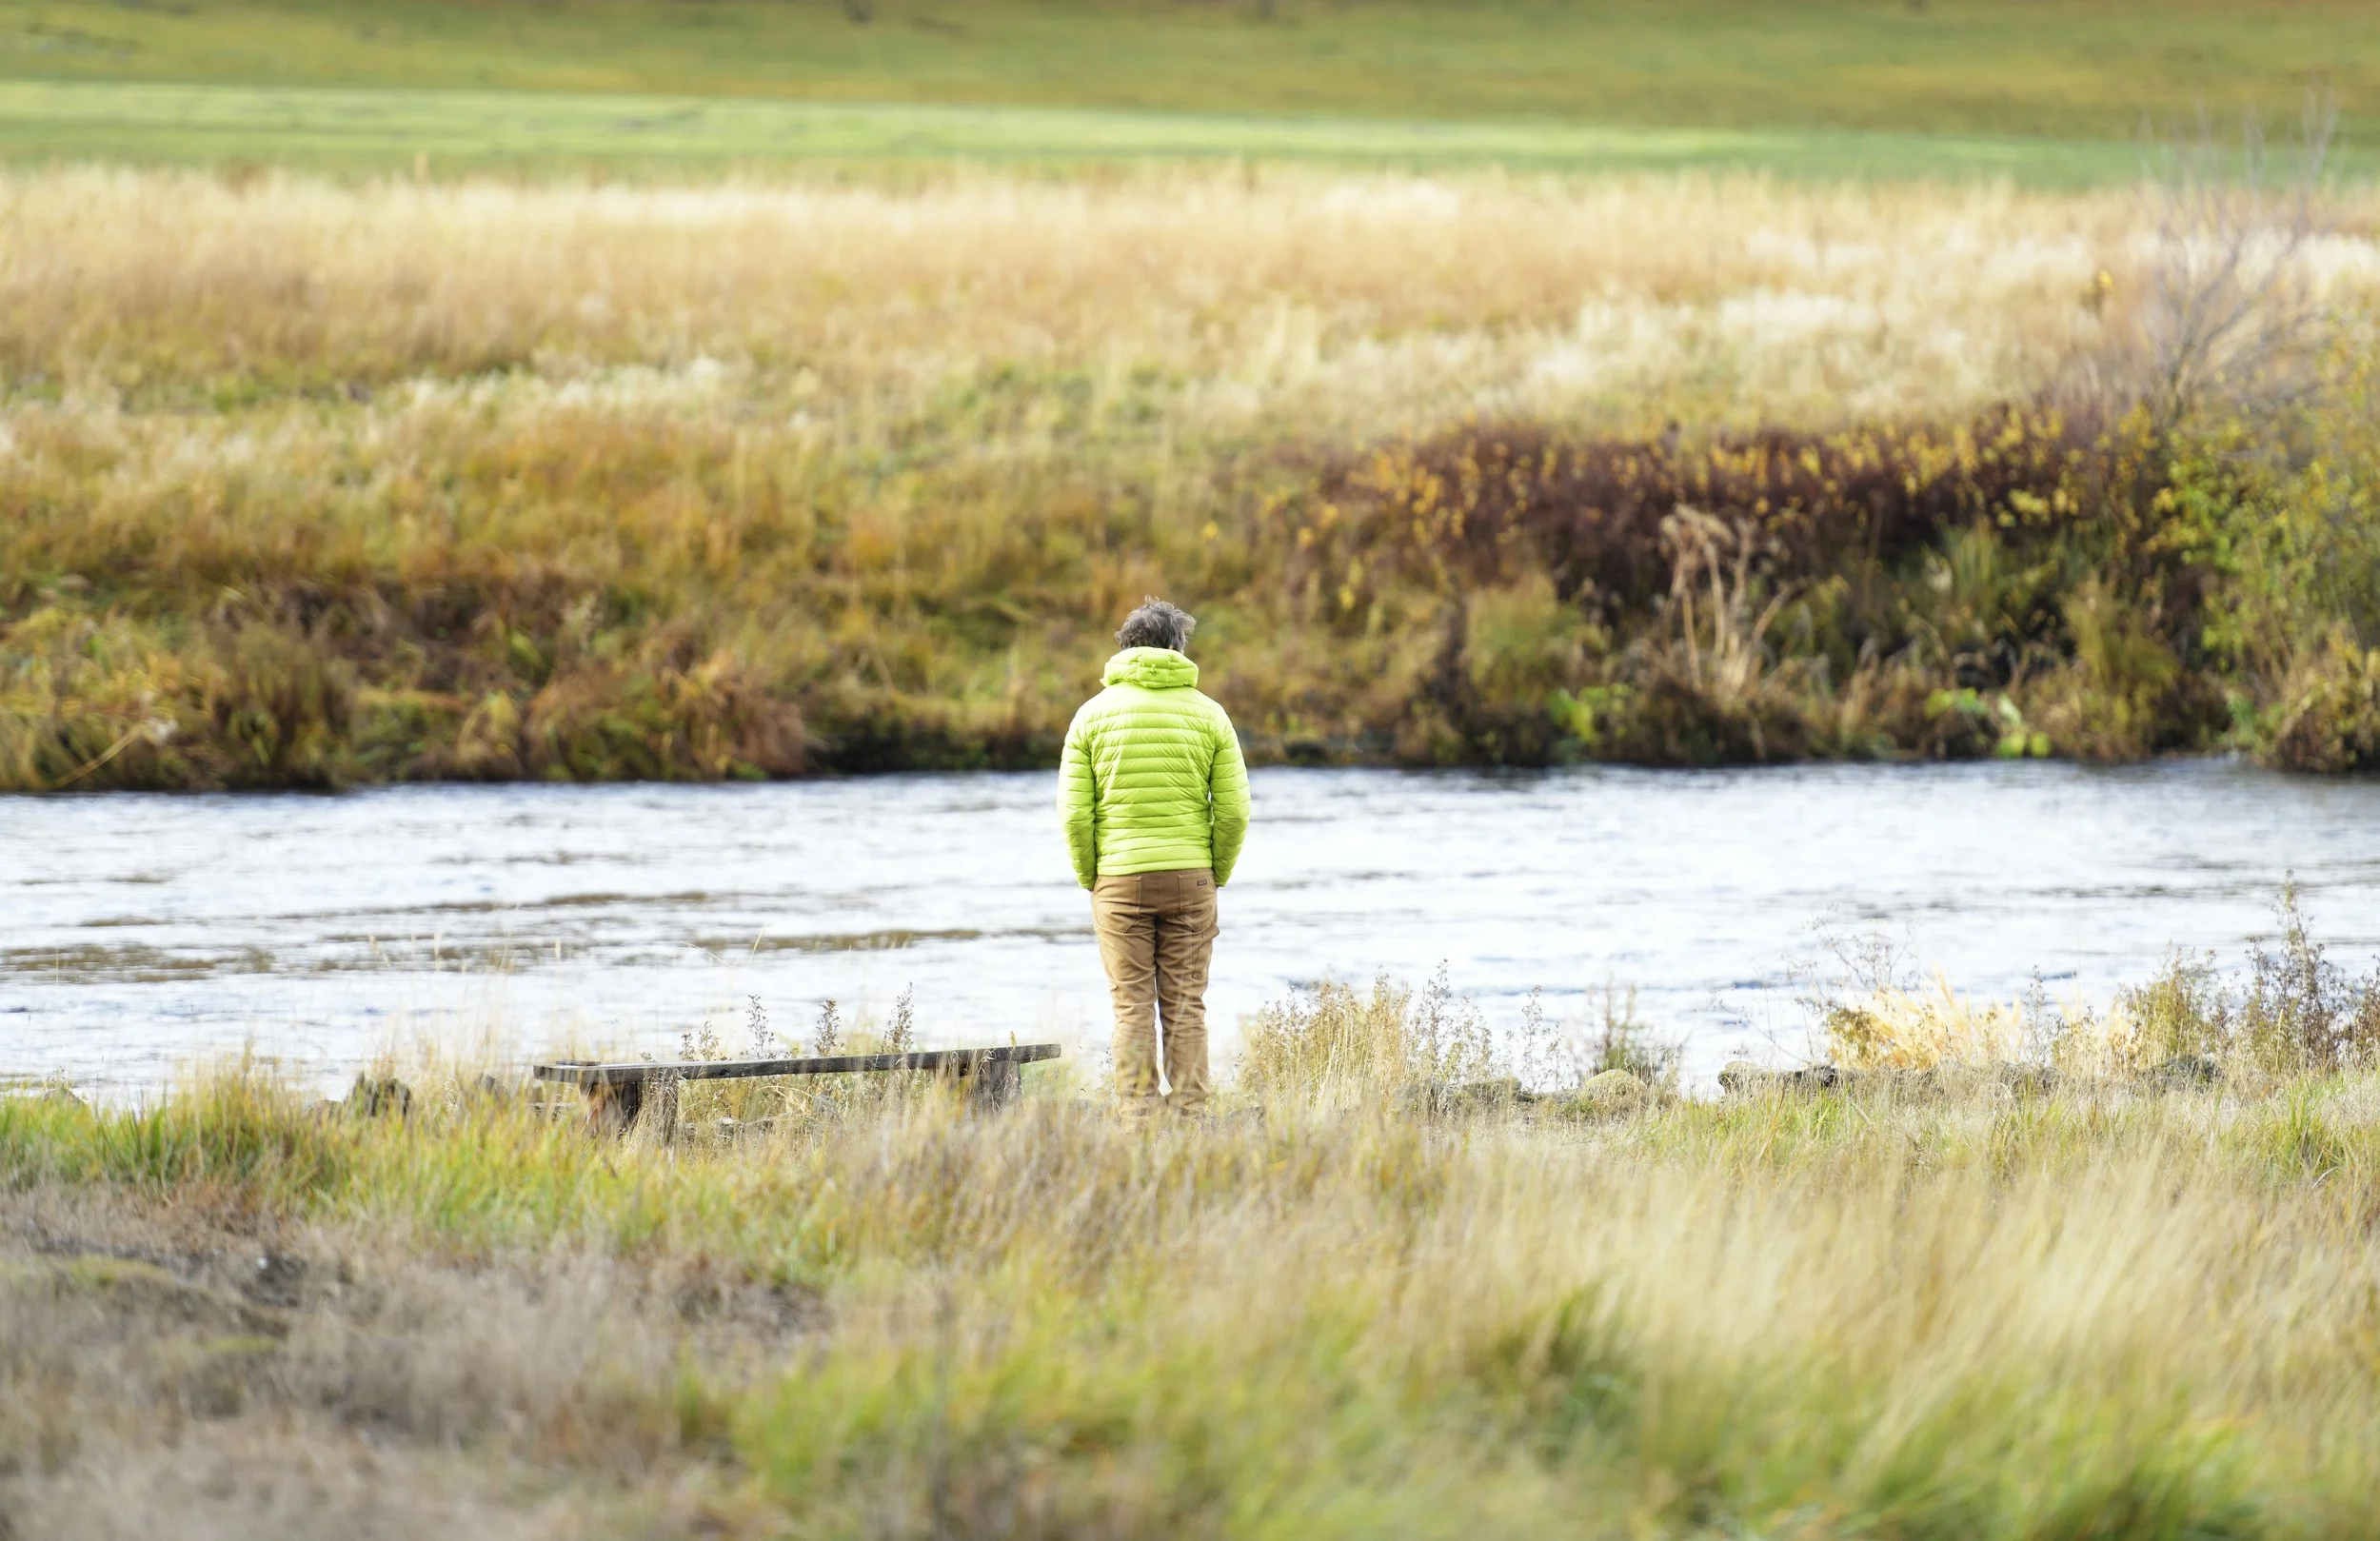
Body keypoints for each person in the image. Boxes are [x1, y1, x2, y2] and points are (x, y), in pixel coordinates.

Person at [1059, 598, 1251, 1120]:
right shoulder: (1210, 714)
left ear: (1124, 647)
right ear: (1179, 648)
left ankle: (1139, 1120)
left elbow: (1075, 817)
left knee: (1132, 1006)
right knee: (1186, 1005)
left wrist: (1091, 876)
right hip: (1191, 879)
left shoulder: (1091, 716)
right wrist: (1216, 871)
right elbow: (1234, 812)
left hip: (1118, 879)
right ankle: (1191, 1116)